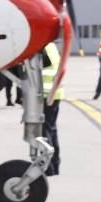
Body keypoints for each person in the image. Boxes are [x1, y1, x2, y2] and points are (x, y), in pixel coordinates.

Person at [41, 42, 64, 176]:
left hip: (45, 94)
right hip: (55, 93)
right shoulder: (52, 46)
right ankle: (55, 165)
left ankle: (48, 167)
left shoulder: (41, 46)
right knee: (52, 130)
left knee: (45, 133)